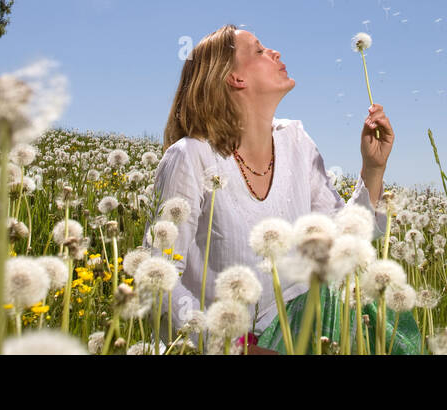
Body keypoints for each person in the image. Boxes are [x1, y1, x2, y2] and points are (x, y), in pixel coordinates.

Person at [141, 24, 417, 354]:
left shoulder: (295, 142)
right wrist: (234, 346)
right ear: (234, 78)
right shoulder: (191, 157)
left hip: (309, 327)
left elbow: (344, 237)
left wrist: (373, 169)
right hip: (233, 343)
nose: (276, 53)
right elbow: (156, 278)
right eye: (259, 51)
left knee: (358, 285)